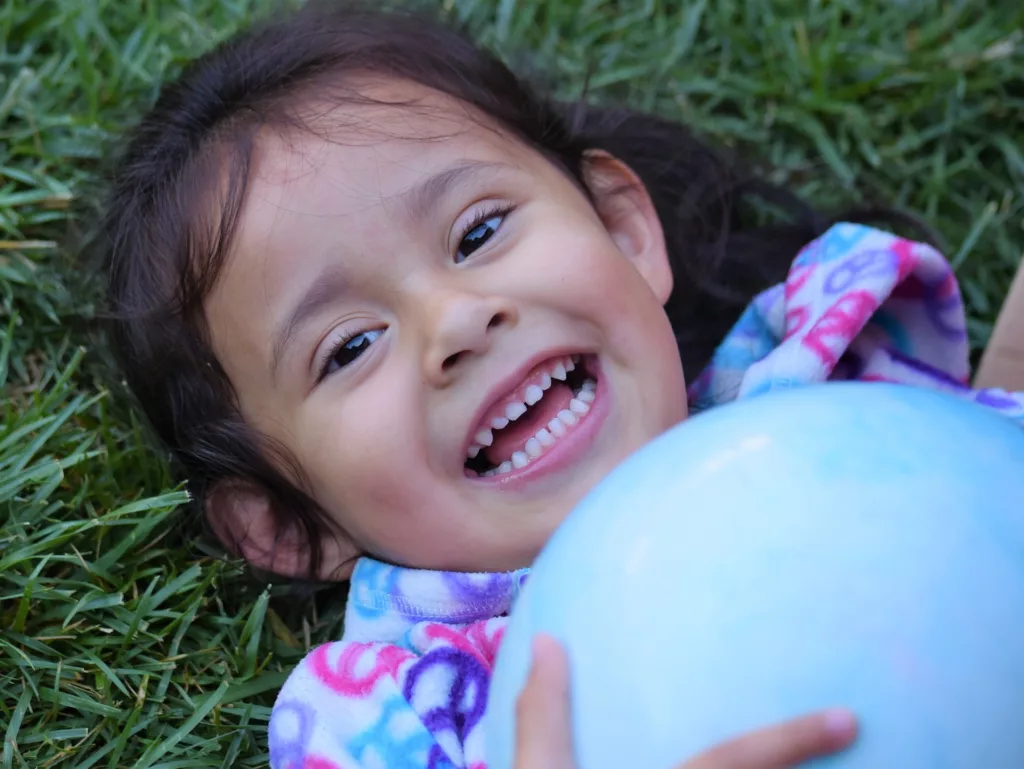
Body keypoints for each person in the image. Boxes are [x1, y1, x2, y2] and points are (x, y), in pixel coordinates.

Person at [102, 2, 1024, 768]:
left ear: (624, 231)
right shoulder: (388, 720)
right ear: (286, 524)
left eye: (477, 233)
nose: (458, 322)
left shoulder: (826, 390)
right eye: (348, 347)